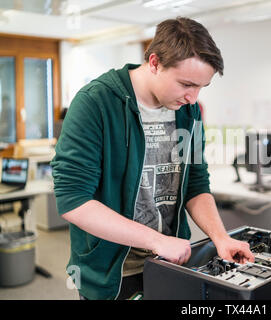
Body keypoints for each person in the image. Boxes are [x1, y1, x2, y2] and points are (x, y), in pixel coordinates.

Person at [51, 17, 254, 300]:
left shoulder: (188, 112)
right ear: (155, 62)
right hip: (111, 272)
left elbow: (195, 182)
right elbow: (74, 200)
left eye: (201, 87)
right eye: (186, 84)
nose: (193, 98)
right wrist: (157, 241)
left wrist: (221, 237)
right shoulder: (95, 102)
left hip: (169, 262)